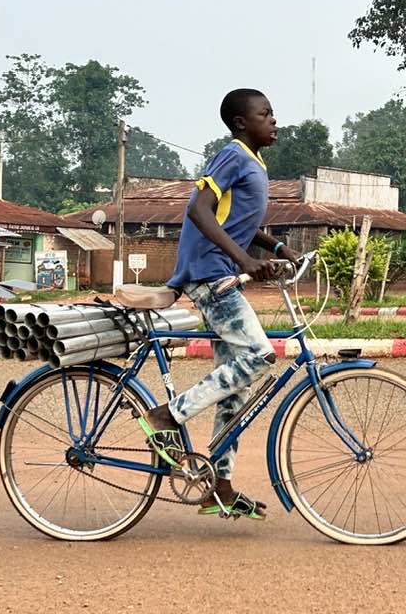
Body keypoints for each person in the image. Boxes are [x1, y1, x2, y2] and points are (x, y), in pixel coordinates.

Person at [135, 88, 299, 521]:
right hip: (211, 274)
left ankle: (219, 486)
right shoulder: (232, 155)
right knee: (261, 355)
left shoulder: (253, 162)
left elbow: (239, 221)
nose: (274, 120)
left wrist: (277, 247)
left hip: (224, 271)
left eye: (273, 113)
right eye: (265, 114)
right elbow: (199, 210)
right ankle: (166, 416)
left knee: (236, 386)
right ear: (242, 123)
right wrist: (245, 260)